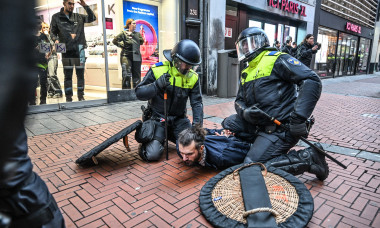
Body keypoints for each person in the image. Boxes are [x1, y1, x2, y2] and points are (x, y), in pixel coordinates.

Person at [231, 27, 328, 180]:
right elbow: (239, 101)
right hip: (261, 126)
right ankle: (262, 148)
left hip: (281, 127)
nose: (245, 48)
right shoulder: (247, 70)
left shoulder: (277, 58)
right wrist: (245, 112)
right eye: (242, 45)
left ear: (261, 42)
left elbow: (312, 80)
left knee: (253, 167)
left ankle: (309, 158)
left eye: (249, 43)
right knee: (229, 122)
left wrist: (298, 118)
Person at [0, 0, 65, 226]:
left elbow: (55, 50)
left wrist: (54, 47)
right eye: (42, 27)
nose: (43, 29)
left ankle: (42, 99)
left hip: (43, 68)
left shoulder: (43, 38)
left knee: (44, 88)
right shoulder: (35, 38)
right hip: (38, 67)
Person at [177, 120, 328, 181]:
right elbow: (205, 131)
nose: (184, 158)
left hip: (251, 145)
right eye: (182, 153)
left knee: (256, 170)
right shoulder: (185, 147)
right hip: (239, 140)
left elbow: (246, 156)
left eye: (189, 154)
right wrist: (223, 132)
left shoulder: (223, 156)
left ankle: (307, 157)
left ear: (201, 148)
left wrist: (230, 139)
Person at [135, 39, 203, 161]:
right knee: (152, 155)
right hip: (158, 119)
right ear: (176, 61)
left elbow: (197, 103)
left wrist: (197, 127)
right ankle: (152, 140)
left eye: (191, 65)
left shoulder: (193, 78)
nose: (189, 68)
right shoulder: (158, 70)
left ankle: (169, 137)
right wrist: (156, 85)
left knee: (191, 149)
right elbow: (139, 93)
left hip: (179, 120)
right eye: (186, 64)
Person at [50, 0, 96, 102]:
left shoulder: (79, 17)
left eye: (73, 4)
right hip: (65, 49)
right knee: (68, 75)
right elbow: (52, 32)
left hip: (80, 49)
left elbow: (92, 18)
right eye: (69, 3)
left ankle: (81, 96)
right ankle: (68, 97)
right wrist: (55, 40)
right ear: (64, 3)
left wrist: (85, 6)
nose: (71, 6)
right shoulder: (56, 17)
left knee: (80, 75)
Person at [112, 19, 144, 89]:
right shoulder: (123, 33)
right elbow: (114, 41)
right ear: (129, 24)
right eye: (133, 23)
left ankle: (137, 94)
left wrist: (132, 35)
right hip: (126, 55)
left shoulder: (137, 34)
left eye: (135, 24)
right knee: (126, 75)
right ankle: (126, 93)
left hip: (136, 55)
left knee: (137, 76)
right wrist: (122, 45)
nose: (135, 25)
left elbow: (141, 42)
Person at [41, 22, 63, 99]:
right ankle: (51, 91)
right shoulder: (42, 37)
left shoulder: (52, 36)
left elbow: (56, 47)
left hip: (52, 57)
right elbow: (43, 48)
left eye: (47, 27)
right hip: (45, 58)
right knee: (47, 76)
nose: (45, 29)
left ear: (49, 28)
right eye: (44, 28)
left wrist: (47, 36)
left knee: (52, 75)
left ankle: (58, 91)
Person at [34, 19, 49, 105]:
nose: (39, 25)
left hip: (43, 62)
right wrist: (36, 49)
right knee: (34, 82)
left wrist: (47, 54)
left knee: (43, 82)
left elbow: (47, 47)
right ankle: (32, 100)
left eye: (40, 24)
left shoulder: (44, 36)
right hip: (33, 63)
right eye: (38, 24)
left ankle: (43, 100)